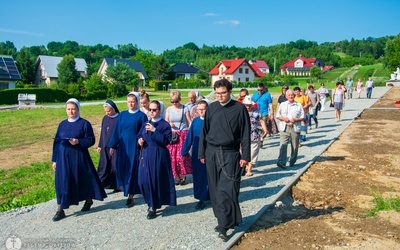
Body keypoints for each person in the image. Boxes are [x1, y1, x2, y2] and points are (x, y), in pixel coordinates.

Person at [198, 78, 251, 242]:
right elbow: (204, 133)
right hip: (212, 152)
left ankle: (223, 226)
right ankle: (225, 219)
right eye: (217, 93)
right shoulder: (211, 108)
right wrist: (201, 153)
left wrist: (245, 156)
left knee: (227, 190)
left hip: (230, 154)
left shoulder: (239, 109)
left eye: (223, 93)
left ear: (229, 92)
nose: (220, 96)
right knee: (215, 190)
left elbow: (245, 134)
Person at [51, 98, 107, 221]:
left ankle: (88, 200)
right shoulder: (62, 124)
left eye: (73, 109)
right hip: (63, 159)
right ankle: (60, 209)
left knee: (82, 180)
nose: (71, 112)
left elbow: (91, 140)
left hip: (78, 158)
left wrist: (78, 142)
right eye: (69, 109)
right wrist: (54, 160)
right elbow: (56, 142)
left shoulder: (84, 124)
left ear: (78, 109)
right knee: (62, 182)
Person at [137, 100, 176, 219]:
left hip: (159, 155)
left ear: (160, 111)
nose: (152, 112)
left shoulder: (164, 125)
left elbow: (166, 140)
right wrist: (139, 141)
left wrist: (155, 131)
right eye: (150, 110)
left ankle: (152, 206)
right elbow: (139, 135)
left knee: (154, 181)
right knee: (142, 181)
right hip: (146, 154)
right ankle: (150, 202)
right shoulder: (145, 123)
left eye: (155, 110)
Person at [108, 92, 148, 208]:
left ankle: (131, 195)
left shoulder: (141, 116)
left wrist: (141, 142)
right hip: (123, 147)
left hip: (134, 147)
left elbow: (144, 131)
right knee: (124, 169)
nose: (131, 104)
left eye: (133, 101)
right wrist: (112, 145)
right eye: (129, 101)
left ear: (137, 102)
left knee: (133, 169)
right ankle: (126, 189)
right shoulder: (122, 115)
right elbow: (116, 131)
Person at [181, 99, 210, 210]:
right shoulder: (196, 121)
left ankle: (211, 195)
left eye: (203, 109)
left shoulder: (212, 121)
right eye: (199, 110)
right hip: (197, 152)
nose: (201, 111)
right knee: (198, 177)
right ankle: (201, 198)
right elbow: (189, 137)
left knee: (209, 176)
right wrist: (184, 152)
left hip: (210, 152)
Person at [165, 90, 192, 185]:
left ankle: (183, 175)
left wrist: (191, 133)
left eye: (176, 101)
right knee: (173, 156)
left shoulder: (185, 108)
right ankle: (176, 176)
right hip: (172, 135)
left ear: (179, 100)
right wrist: (169, 124)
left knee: (181, 156)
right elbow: (166, 121)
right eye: (172, 101)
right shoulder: (169, 109)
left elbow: (189, 121)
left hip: (183, 134)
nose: (174, 103)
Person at [276, 90, 305, 169]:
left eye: (292, 95)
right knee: (283, 145)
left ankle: (292, 161)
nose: (290, 96)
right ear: (286, 96)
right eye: (289, 95)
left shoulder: (298, 105)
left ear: (294, 96)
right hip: (284, 127)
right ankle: (282, 162)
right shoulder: (282, 104)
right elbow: (278, 115)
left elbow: (303, 117)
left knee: (294, 146)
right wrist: (283, 118)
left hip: (294, 127)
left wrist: (296, 119)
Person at [97, 100, 120, 192]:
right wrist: (100, 145)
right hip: (104, 145)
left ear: (114, 109)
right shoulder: (105, 118)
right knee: (104, 165)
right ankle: (104, 184)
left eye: (109, 111)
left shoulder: (119, 118)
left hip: (116, 147)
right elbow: (102, 132)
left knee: (115, 166)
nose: (107, 113)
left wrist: (115, 145)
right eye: (106, 111)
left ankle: (118, 185)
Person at [242, 95, 261, 176]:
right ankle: (246, 166)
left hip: (254, 134)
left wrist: (265, 131)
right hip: (243, 135)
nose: (248, 107)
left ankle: (249, 169)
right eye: (246, 105)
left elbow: (261, 121)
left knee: (253, 153)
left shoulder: (256, 113)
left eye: (249, 105)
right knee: (244, 152)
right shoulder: (241, 112)